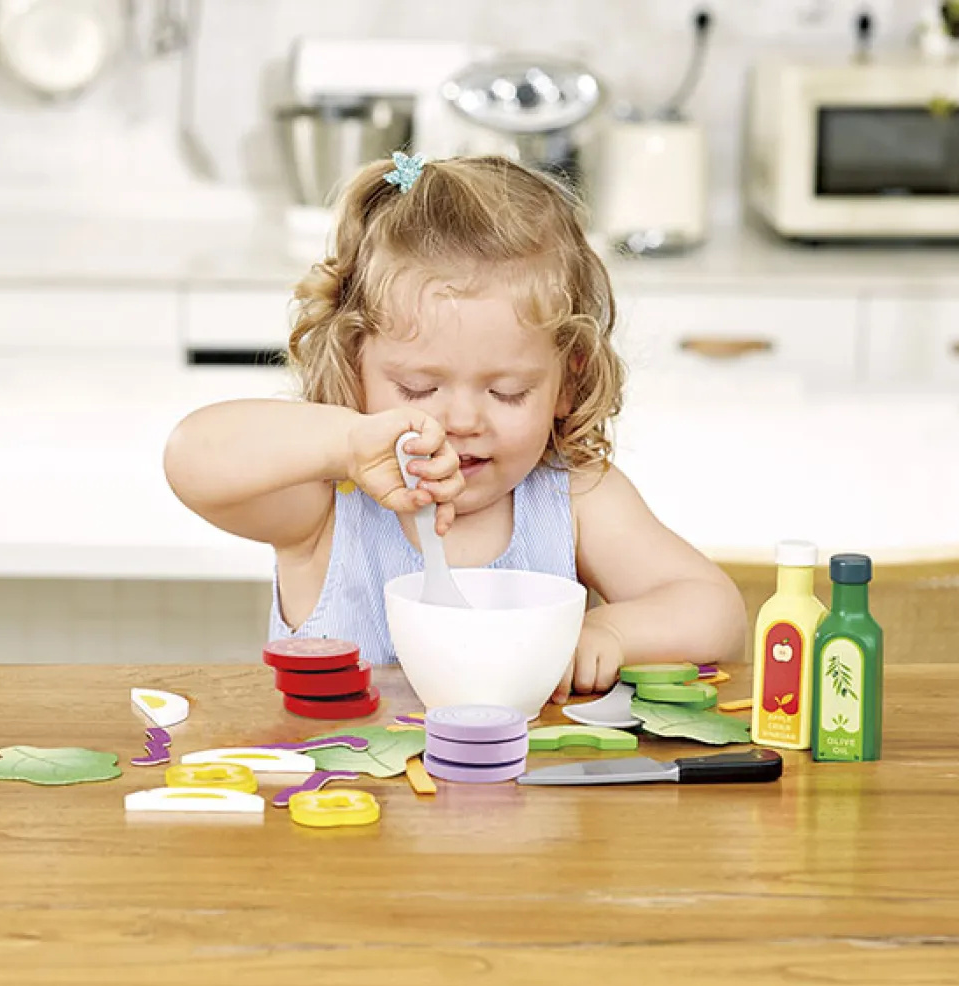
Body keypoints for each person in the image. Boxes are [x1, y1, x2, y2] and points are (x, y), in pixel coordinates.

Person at [163, 152, 745, 703]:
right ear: (354, 365)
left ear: (567, 382)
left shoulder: (574, 497)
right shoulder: (325, 504)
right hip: (336, 776)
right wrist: (345, 443)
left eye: (507, 392)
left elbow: (715, 611)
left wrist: (613, 633)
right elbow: (192, 457)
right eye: (418, 388)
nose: (463, 422)